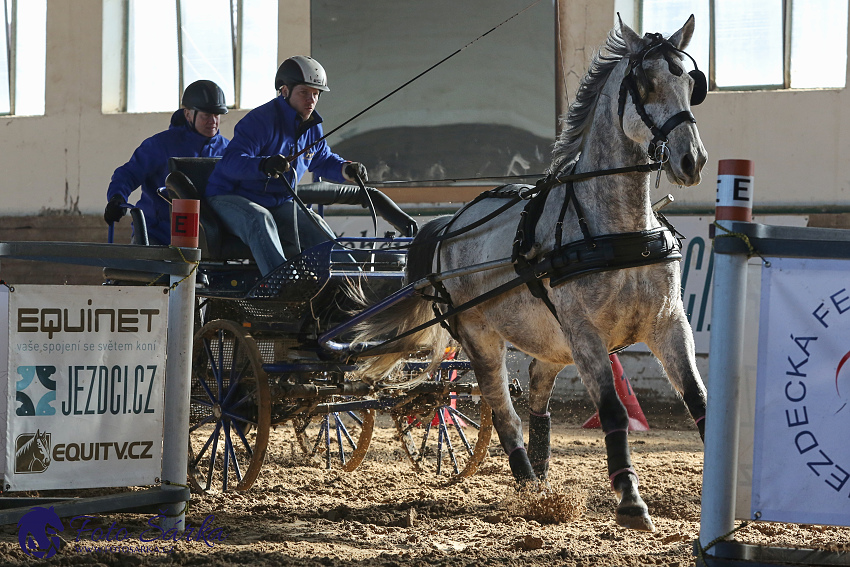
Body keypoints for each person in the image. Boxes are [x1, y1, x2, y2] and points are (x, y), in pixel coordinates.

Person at [204, 55, 368, 276]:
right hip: (229, 197)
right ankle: (282, 284)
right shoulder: (260, 121)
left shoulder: (312, 127)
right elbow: (231, 163)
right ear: (284, 91)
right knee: (259, 218)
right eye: (304, 93)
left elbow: (322, 158)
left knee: (313, 222)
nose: (311, 100)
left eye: (316, 94)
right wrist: (263, 165)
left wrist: (345, 170)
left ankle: (353, 282)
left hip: (277, 202)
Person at [104, 80, 230, 244]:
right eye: (206, 115)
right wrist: (116, 197)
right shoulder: (161, 145)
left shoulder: (228, 151)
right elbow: (129, 173)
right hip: (155, 235)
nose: (213, 121)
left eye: (216, 115)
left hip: (203, 240)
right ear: (188, 114)